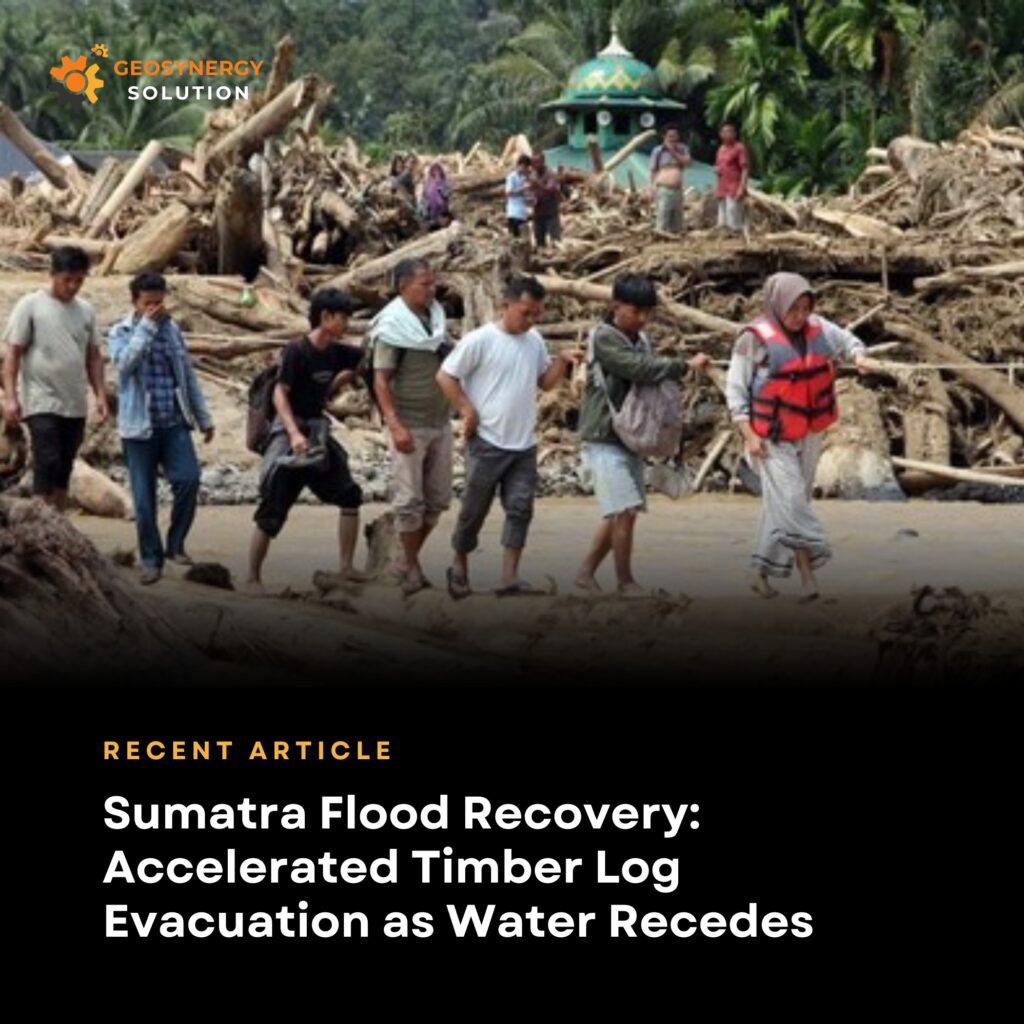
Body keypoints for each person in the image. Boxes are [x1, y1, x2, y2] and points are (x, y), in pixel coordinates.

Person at [726, 272, 869, 602]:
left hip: (808, 432)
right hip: (769, 438)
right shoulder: (752, 340)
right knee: (791, 502)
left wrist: (859, 356)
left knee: (785, 504)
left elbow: (847, 342)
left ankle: (758, 574)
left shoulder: (818, 327)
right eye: (794, 309)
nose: (800, 316)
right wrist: (748, 435)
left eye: (806, 308)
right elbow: (735, 392)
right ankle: (809, 576)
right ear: (777, 305)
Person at [437, 276, 578, 599]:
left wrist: (562, 362)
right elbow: (445, 375)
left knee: (520, 507)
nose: (531, 320)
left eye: (537, 314)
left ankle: (509, 576)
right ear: (506, 306)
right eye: (526, 312)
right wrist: (466, 410)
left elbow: (544, 382)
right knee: (474, 508)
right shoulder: (480, 340)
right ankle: (459, 566)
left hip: (523, 443)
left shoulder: (535, 341)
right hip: (487, 440)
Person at [575, 274, 709, 596]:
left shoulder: (640, 338)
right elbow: (638, 369)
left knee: (625, 511)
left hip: (629, 436)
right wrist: (684, 366)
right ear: (615, 306)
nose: (643, 319)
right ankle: (625, 582)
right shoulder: (604, 338)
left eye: (647, 312)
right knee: (623, 510)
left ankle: (584, 574)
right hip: (604, 435)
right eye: (636, 312)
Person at [246, 288, 367, 593]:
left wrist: (337, 385)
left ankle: (346, 566)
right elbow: (279, 393)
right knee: (273, 508)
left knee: (350, 495)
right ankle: (251, 577)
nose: (347, 324)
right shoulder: (297, 351)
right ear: (325, 318)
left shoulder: (337, 352)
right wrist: (294, 434)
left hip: (318, 433)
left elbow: (363, 360)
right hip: (292, 433)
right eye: (343, 318)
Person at [108, 271, 214, 585]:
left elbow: (187, 377)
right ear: (135, 303)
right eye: (148, 303)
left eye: (159, 302)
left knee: (189, 480)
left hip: (173, 422)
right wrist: (146, 328)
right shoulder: (121, 331)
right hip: (138, 428)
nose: (155, 308)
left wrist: (204, 417)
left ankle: (176, 543)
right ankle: (150, 559)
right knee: (143, 500)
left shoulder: (173, 331)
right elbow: (125, 365)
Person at [2, 245, 108, 510]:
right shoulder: (31, 305)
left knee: (64, 465)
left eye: (79, 280)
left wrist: (101, 395)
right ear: (53, 274)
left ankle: (57, 520)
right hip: (41, 399)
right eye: (67, 280)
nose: (72, 286)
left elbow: (93, 356)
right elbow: (13, 353)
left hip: (74, 401)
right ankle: (38, 518)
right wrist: (11, 398)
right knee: (46, 459)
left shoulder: (85, 310)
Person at [369, 258, 453, 595]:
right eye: (424, 284)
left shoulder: (435, 319)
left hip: (440, 420)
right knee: (409, 501)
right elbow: (381, 381)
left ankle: (406, 559)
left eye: (433, 283)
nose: (431, 289)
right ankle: (411, 566)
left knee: (438, 500)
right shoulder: (393, 325)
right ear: (403, 286)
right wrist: (395, 424)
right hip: (410, 423)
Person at [648, 124, 690, 234]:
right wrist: (651, 188)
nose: (672, 139)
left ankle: (675, 239)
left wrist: (673, 152)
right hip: (663, 188)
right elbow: (653, 170)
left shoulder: (682, 149)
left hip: (678, 188)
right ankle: (661, 237)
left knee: (677, 217)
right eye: (670, 136)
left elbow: (687, 162)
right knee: (663, 215)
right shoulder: (657, 151)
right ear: (664, 137)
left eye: (675, 136)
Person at [715, 122, 749, 232]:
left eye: (730, 131)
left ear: (735, 134)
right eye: (724, 132)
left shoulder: (739, 148)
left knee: (733, 216)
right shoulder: (720, 149)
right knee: (722, 220)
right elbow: (719, 168)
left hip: (734, 187)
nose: (727, 134)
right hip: (722, 188)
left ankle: (736, 241)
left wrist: (742, 187)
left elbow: (745, 168)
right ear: (720, 134)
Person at [530, 153, 562, 247]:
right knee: (539, 241)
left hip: (551, 214)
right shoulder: (533, 175)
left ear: (543, 162)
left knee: (555, 242)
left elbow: (550, 189)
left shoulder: (550, 174)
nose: (534, 165)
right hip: (538, 214)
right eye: (533, 163)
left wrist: (538, 183)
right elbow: (530, 191)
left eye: (537, 163)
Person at [505, 154, 533, 238]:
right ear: (521, 165)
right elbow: (508, 192)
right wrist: (523, 189)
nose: (527, 170)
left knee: (523, 238)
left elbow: (525, 195)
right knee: (514, 239)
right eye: (526, 167)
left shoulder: (524, 178)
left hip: (522, 214)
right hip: (513, 213)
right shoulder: (512, 177)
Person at [421, 162, 453, 229]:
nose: (437, 172)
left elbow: (447, 194)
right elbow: (424, 199)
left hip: (443, 211)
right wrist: (425, 214)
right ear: (431, 172)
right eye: (434, 171)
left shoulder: (446, 182)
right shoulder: (427, 184)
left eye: (438, 170)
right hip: (431, 213)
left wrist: (440, 188)